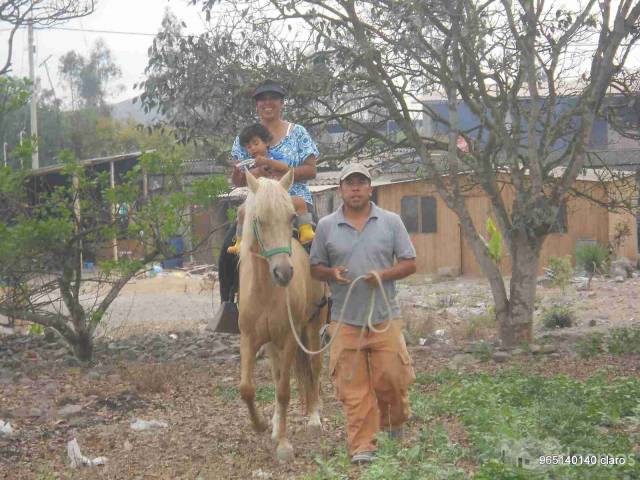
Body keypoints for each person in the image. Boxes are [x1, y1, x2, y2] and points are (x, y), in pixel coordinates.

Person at [309, 163, 417, 465]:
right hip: (344, 319)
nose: (355, 188)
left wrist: (384, 275)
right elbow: (314, 267)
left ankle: (394, 424)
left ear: (371, 188)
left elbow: (410, 263)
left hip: (384, 316)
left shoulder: (391, 221)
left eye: (361, 182)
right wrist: (331, 272)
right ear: (340, 189)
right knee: (352, 388)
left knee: (392, 378)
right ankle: (363, 447)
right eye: (349, 183)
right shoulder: (327, 226)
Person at [210, 79, 319, 328]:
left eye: (273, 98)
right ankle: (229, 306)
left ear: (281, 103)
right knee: (228, 247)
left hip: (294, 201)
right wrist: (238, 176)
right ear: (256, 105)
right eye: (261, 99)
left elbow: (311, 170)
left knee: (323, 244)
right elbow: (238, 176)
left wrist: (279, 168)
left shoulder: (298, 133)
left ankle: (326, 305)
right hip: (258, 205)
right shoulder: (245, 137)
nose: (267, 103)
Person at [226, 122, 315, 254]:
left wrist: (268, 162)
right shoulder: (249, 163)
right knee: (241, 212)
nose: (253, 149)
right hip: (259, 203)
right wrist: (237, 173)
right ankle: (239, 241)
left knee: (300, 202)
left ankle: (306, 230)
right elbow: (241, 181)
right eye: (249, 147)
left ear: (267, 142)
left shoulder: (275, 156)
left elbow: (286, 168)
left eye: (256, 144)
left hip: (281, 199)